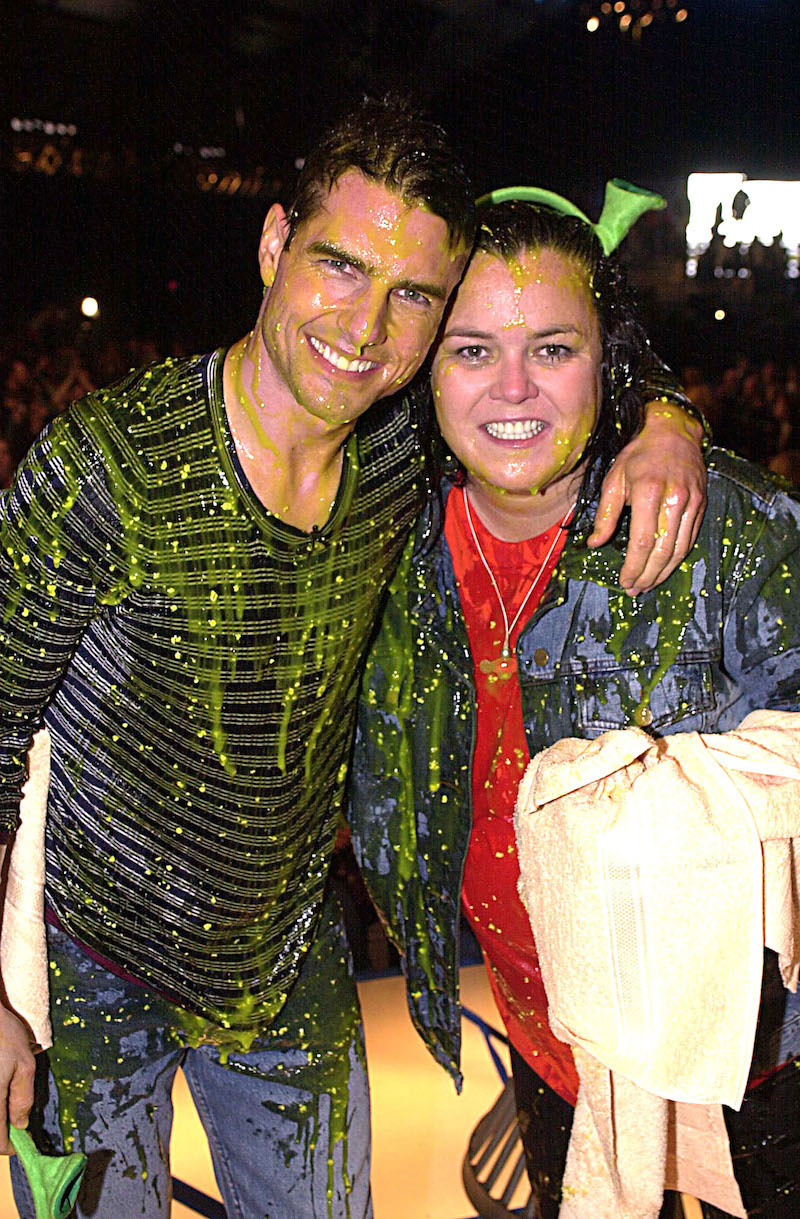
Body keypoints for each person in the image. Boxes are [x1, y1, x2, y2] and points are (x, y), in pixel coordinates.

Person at [0, 97, 704, 1219]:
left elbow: (563, 359)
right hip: (94, 975)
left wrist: (666, 415)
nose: (366, 325)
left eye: (412, 295)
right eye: (338, 265)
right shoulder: (107, 465)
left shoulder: (397, 449)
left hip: (285, 964)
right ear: (275, 242)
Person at [349, 196, 800, 1218]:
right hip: (546, 1036)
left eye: (550, 347)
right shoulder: (385, 540)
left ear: (610, 364)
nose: (511, 388)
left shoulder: (719, 519)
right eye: (469, 350)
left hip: (747, 1057)